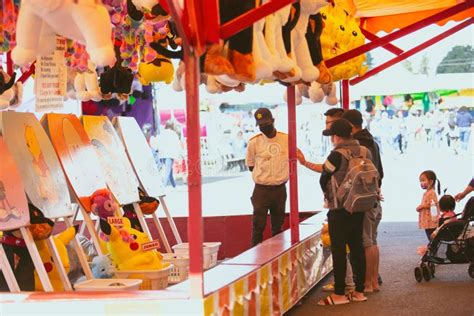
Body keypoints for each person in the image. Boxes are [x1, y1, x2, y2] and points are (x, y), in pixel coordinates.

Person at [317, 119, 367, 305]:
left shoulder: (335, 155)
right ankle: (359, 291)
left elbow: (323, 178)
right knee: (357, 247)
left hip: (339, 208)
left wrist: (330, 195)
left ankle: (339, 294)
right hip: (359, 206)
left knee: (338, 250)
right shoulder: (364, 151)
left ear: (336, 136)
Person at [342, 109, 384, 293]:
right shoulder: (372, 142)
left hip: (364, 198)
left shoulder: (360, 146)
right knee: (372, 241)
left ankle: (367, 283)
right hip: (374, 196)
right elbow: (380, 172)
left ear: (351, 126)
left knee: (366, 242)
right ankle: (374, 281)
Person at [245, 108, 288, 246]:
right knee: (258, 226)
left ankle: (279, 257)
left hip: (279, 189)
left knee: (278, 227)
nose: (264, 127)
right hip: (261, 190)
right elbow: (250, 166)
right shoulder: (254, 142)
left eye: (266, 123)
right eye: (261, 125)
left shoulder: (286, 139)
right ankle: (255, 257)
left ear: (273, 121)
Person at [150, 121, 182, 188]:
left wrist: (156, 150)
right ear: (172, 126)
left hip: (162, 153)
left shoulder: (162, 133)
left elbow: (157, 142)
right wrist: (178, 155)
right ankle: (163, 186)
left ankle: (174, 186)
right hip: (170, 154)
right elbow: (176, 145)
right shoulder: (174, 134)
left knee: (169, 171)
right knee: (168, 171)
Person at [416, 170, 441, 241]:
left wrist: (422, 206)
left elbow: (433, 204)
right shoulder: (427, 193)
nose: (421, 183)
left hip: (431, 221)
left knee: (432, 237)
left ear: (431, 182)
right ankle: (432, 248)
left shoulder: (431, 193)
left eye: (423, 180)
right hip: (428, 221)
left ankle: (432, 248)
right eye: (420, 181)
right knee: (430, 237)